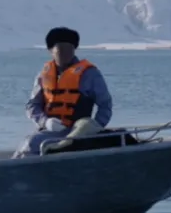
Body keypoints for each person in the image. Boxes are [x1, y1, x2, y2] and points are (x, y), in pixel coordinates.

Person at [12, 27, 113, 158]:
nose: (65, 54)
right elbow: (32, 105)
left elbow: (105, 105)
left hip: (77, 133)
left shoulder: (90, 74)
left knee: (32, 143)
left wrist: (93, 128)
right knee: (29, 143)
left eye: (69, 49)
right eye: (60, 49)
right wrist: (45, 122)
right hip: (50, 131)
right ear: (51, 51)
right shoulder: (44, 75)